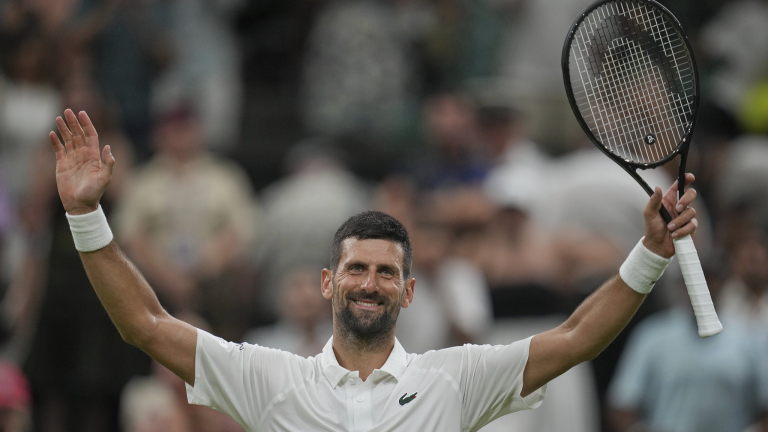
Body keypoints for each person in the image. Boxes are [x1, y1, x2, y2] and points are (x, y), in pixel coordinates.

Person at [48, 108, 700, 431]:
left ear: (409, 292)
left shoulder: (457, 379)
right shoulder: (268, 377)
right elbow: (144, 323)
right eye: (357, 268)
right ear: (330, 281)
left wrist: (649, 254)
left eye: (387, 273)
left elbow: (579, 336)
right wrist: (86, 215)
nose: (370, 282)